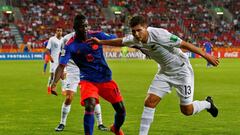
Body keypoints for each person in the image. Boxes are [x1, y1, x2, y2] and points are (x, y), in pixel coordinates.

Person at [88, 15, 219, 135]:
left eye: (139, 30)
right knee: (149, 102)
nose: (136, 34)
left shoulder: (160, 35)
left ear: (146, 28)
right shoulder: (134, 38)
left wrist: (206, 56)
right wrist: (100, 43)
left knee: (187, 111)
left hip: (181, 71)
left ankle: (207, 104)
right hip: (164, 72)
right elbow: (121, 42)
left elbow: (184, 44)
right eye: (133, 31)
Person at [50, 14, 126, 135]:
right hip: (88, 80)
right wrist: (54, 83)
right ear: (75, 28)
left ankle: (115, 128)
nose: (85, 29)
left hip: (105, 78)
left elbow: (117, 40)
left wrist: (102, 41)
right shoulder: (70, 45)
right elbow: (61, 65)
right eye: (81, 27)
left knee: (121, 110)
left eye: (86, 25)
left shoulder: (97, 35)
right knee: (90, 105)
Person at [55, 37, 108, 132]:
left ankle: (100, 123)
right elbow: (61, 55)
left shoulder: (89, 37)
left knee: (94, 98)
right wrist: (63, 70)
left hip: (86, 69)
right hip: (72, 71)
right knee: (69, 97)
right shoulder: (67, 39)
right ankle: (62, 123)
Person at [45, 27, 64, 94]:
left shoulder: (63, 39)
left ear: (62, 32)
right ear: (56, 32)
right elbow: (46, 50)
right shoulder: (52, 39)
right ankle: (49, 87)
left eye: (60, 31)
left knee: (62, 75)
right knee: (53, 75)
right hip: (53, 60)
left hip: (60, 60)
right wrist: (51, 58)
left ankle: (63, 90)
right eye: (58, 31)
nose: (59, 32)